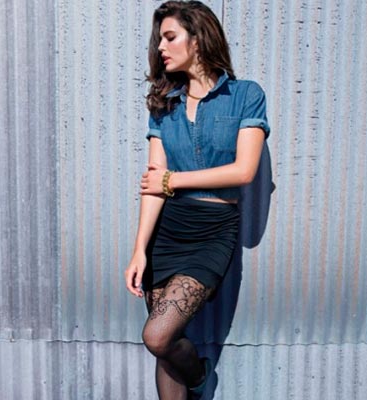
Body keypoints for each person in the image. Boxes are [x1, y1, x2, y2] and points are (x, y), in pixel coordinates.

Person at [124, 1, 270, 398]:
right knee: (166, 347)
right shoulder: (163, 104)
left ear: (198, 39)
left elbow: (243, 171)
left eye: (170, 37)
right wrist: (139, 251)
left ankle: (200, 376)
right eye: (159, 40)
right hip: (167, 232)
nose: (161, 48)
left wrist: (173, 179)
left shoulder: (245, 95)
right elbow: (154, 185)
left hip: (213, 231)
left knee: (158, 335)